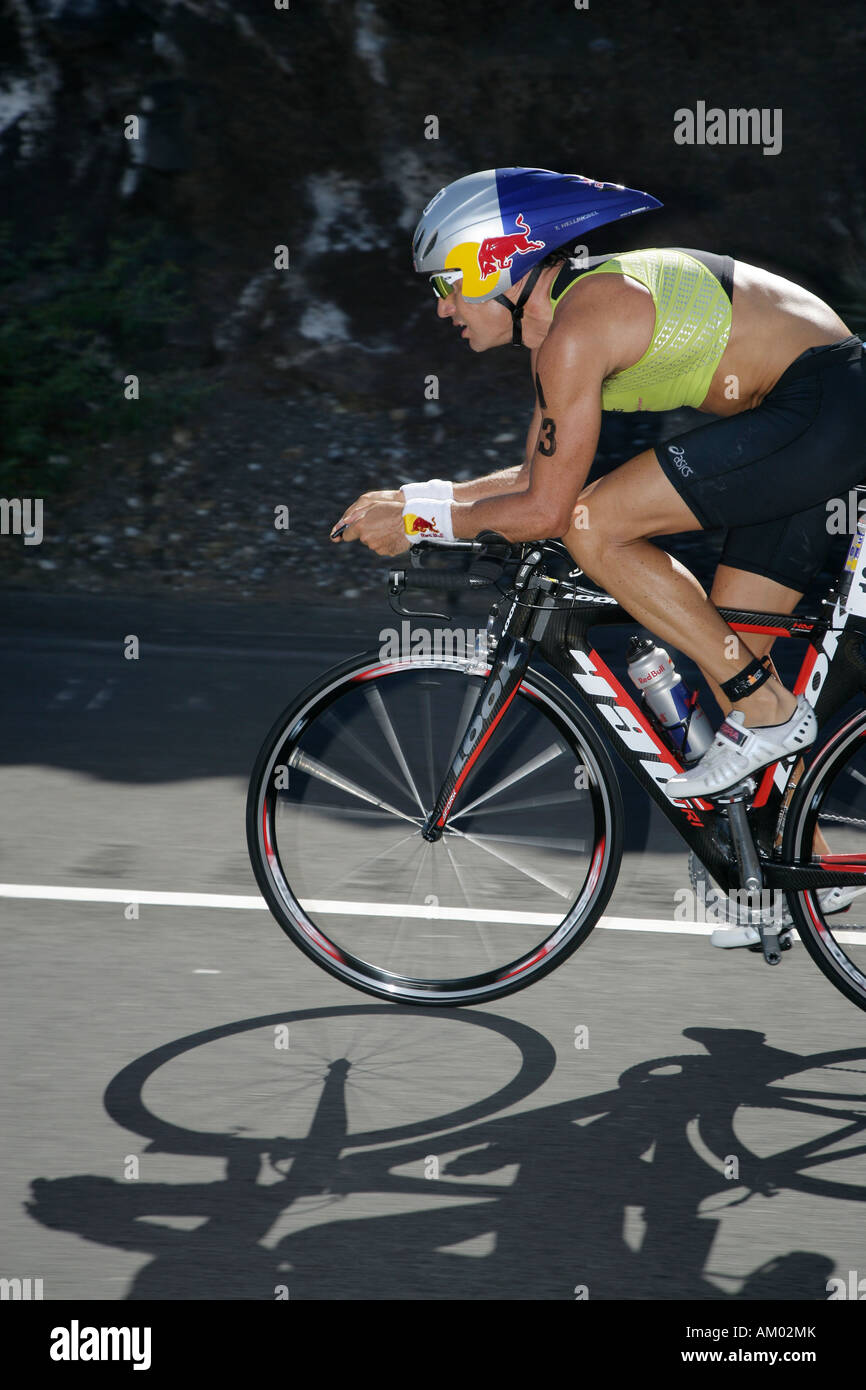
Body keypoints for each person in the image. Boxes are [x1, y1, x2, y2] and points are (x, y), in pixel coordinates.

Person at [331, 166, 866, 808]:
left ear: (496, 265)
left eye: (447, 285)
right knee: (727, 657)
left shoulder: (578, 328)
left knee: (594, 525)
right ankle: (800, 872)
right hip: (807, 422)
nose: (443, 307)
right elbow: (537, 477)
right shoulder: (564, 327)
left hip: (821, 406)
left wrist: (418, 525)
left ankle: (771, 708)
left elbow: (552, 511)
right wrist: (418, 500)